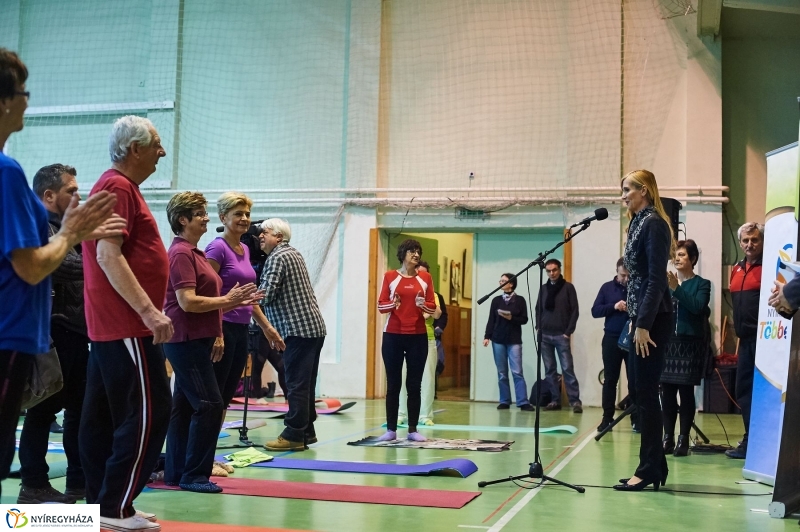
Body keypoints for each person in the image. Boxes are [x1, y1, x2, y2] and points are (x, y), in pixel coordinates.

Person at [0, 49, 123, 503]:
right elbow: (31, 266)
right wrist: (73, 234)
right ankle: (35, 485)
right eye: (23, 92)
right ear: (4, 100)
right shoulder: (7, 173)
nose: (28, 102)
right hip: (11, 334)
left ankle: (71, 487)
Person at [80, 115, 175, 532]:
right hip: (127, 326)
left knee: (100, 419)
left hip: (115, 327)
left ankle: (104, 503)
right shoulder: (117, 186)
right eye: (156, 144)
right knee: (149, 414)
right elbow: (108, 255)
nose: (162, 152)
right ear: (135, 149)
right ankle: (114, 508)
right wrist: (149, 312)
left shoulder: (119, 187)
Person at [162, 192, 261, 493]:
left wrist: (232, 303)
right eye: (201, 214)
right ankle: (195, 474)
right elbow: (187, 302)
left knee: (184, 405)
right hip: (185, 338)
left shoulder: (194, 253)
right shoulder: (181, 253)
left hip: (198, 337)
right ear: (183, 219)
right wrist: (228, 300)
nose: (206, 218)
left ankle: (176, 472)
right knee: (209, 403)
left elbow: (209, 301)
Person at [17, 165, 93, 504]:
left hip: (76, 332)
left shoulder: (65, 230)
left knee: (80, 410)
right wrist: (97, 259)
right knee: (43, 410)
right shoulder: (38, 226)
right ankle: (33, 485)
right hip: (51, 333)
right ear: (49, 195)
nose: (78, 196)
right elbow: (60, 266)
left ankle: (78, 480)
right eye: (71, 191)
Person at [614, 169, 675, 492]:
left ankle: (650, 467)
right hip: (640, 316)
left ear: (645, 191)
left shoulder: (653, 224)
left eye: (628, 189)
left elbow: (655, 279)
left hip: (652, 320)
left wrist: (642, 325)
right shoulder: (638, 223)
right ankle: (653, 465)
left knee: (647, 393)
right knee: (640, 392)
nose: (624, 195)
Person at [204, 193, 284, 414]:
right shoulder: (217, 249)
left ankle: (212, 447)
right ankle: (204, 446)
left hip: (241, 330)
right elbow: (207, 294)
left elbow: (248, 297)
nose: (245, 218)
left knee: (227, 395)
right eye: (238, 214)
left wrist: (267, 327)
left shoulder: (246, 249)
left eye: (247, 214)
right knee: (216, 396)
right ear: (223, 218)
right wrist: (217, 332)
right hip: (222, 328)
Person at [258, 219, 326, 451]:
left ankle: (294, 433)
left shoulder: (277, 257)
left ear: (278, 236)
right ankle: (307, 430)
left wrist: (244, 293)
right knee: (304, 384)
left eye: (264, 233)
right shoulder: (293, 253)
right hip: (312, 328)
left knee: (295, 383)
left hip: (297, 330)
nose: (260, 236)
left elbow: (266, 295)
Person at [377, 239, 437, 442]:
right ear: (403, 254)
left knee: (414, 384)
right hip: (393, 335)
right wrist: (393, 304)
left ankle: (412, 429)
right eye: (412, 251)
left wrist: (423, 305)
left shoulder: (426, 278)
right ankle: (391, 429)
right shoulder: (390, 276)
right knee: (393, 384)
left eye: (418, 251)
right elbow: (381, 306)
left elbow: (432, 308)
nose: (416, 254)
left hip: (417, 336)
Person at [660, 239, 711, 457]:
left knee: (686, 393)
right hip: (668, 343)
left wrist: (677, 289)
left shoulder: (702, 284)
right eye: (676, 255)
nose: (677, 259)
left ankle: (683, 440)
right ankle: (667, 438)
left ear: (693, 259)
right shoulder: (666, 283)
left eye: (682, 255)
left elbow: (698, 307)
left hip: (689, 344)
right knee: (667, 393)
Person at [725, 222, 763, 460]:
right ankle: (750, 440)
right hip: (745, 341)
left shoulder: (770, 266)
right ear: (740, 243)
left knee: (761, 394)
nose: (750, 244)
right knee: (743, 392)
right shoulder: (736, 269)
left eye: (755, 240)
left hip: (764, 341)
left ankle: (759, 443)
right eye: (746, 240)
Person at [398, 260, 442, 426]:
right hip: (402, 337)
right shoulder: (401, 289)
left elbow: (437, 314)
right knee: (400, 378)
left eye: (424, 274)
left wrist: (426, 306)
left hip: (427, 338)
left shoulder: (433, 295)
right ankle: (401, 413)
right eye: (418, 272)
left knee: (427, 378)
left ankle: (425, 415)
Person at [535, 258, 582, 413]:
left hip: (562, 335)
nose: (552, 273)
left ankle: (575, 401)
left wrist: (568, 332)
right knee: (549, 370)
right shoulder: (543, 289)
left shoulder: (568, 288)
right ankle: (555, 400)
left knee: (567, 368)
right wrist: (538, 328)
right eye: (548, 271)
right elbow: (538, 309)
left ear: (559, 270)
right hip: (545, 335)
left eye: (554, 270)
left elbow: (574, 311)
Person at [483, 273, 534, 411]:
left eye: (504, 281)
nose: (501, 282)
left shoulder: (520, 300)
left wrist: (511, 317)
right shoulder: (496, 300)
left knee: (517, 371)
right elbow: (491, 320)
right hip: (498, 339)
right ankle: (504, 400)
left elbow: (524, 319)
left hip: (514, 340)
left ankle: (523, 401)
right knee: (502, 372)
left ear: (511, 283)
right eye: (500, 280)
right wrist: (487, 336)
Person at [591, 258, 631, 432]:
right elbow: (595, 311)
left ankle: (636, 418)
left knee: (634, 380)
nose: (626, 279)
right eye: (623, 275)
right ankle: (607, 418)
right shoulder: (607, 288)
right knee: (610, 380)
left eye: (629, 276)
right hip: (612, 338)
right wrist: (614, 306)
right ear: (617, 271)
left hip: (632, 338)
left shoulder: (635, 287)